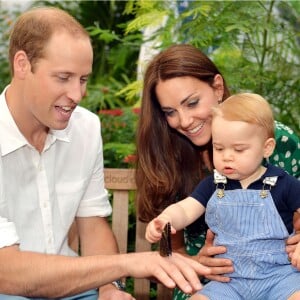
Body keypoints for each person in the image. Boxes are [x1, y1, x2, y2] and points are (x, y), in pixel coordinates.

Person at [0, 7, 212, 300]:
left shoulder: (85, 128)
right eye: (63, 78)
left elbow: (92, 223)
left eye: (83, 79)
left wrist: (109, 287)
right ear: (22, 64)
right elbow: (7, 272)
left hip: (74, 290)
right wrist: (126, 263)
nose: (77, 95)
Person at [135, 44, 300, 299]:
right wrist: (194, 262)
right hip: (217, 283)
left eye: (192, 103)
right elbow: (182, 218)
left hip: (279, 277)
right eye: (170, 112)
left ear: (218, 88)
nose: (185, 121)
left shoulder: (269, 139)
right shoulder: (185, 164)